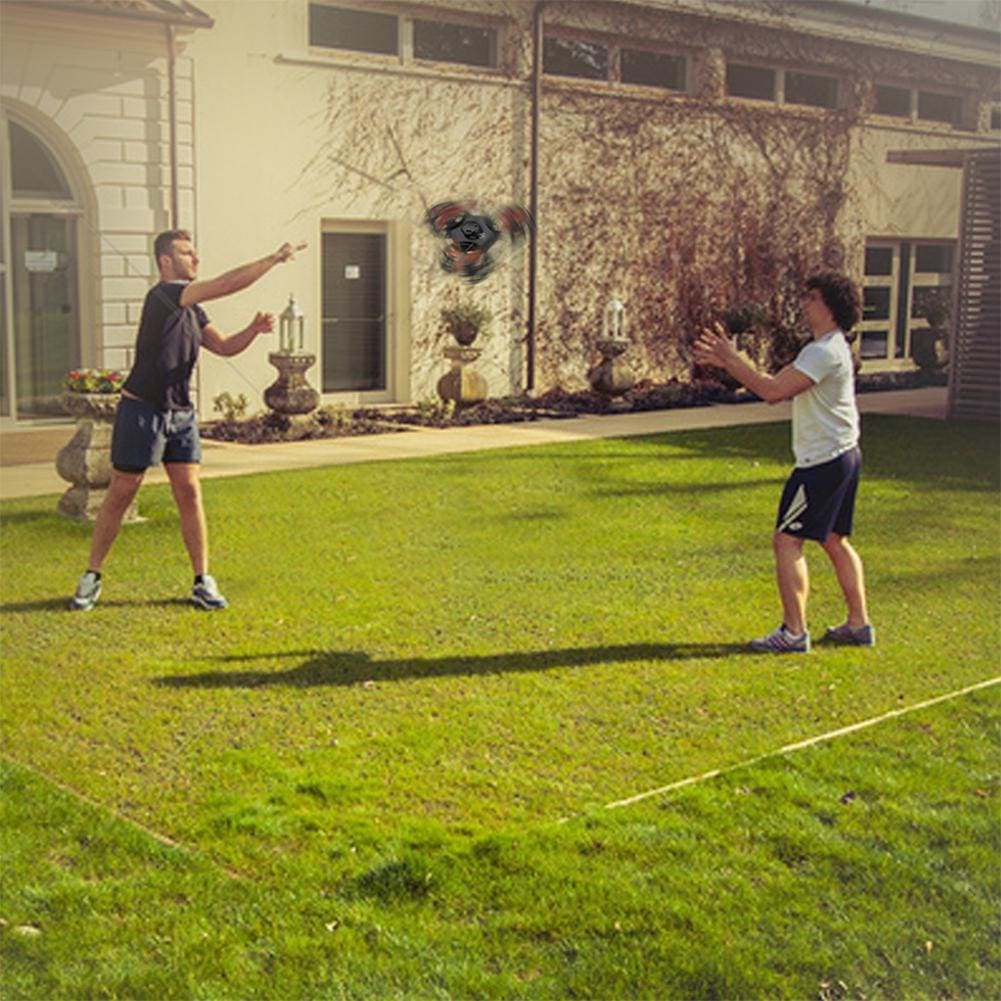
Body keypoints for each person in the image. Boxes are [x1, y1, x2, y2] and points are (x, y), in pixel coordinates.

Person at [69, 230, 305, 612]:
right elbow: (227, 285)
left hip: (180, 413)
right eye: (186, 253)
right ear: (166, 261)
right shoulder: (162, 296)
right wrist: (275, 258)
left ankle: (202, 580)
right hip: (142, 410)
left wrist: (253, 330)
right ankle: (91, 576)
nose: (195, 259)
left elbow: (225, 346)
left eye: (195, 252)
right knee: (122, 491)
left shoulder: (193, 311)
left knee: (190, 492)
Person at [693, 271, 874, 653]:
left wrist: (730, 358)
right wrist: (731, 362)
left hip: (823, 462)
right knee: (834, 540)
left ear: (829, 305)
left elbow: (772, 391)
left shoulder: (823, 351)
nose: (804, 302)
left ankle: (793, 633)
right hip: (844, 454)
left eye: (811, 297)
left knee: (787, 541)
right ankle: (858, 625)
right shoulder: (831, 346)